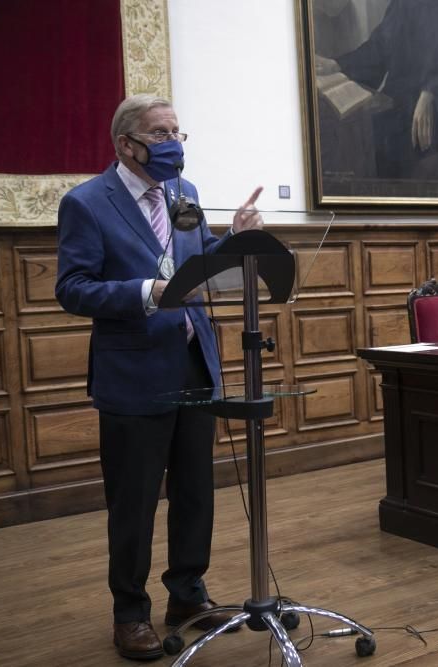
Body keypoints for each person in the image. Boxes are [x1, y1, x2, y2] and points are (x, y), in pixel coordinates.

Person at [55, 94, 264, 661]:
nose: (174, 142)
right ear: (128, 143)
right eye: (162, 132)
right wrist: (145, 293)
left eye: (178, 131)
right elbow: (72, 288)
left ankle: (187, 595)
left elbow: (194, 265)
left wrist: (235, 239)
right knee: (135, 501)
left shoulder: (184, 194)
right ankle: (130, 612)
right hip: (134, 372)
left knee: (196, 492)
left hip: (195, 362)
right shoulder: (87, 202)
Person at [314, 0, 438, 182]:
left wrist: (430, 91)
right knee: (357, 134)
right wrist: (337, 65)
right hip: (400, 102)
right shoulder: (402, 3)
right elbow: (379, 48)